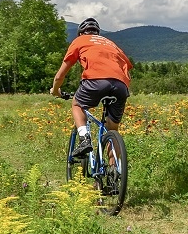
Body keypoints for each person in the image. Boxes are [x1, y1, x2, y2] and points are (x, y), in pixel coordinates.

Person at [50, 17, 133, 157]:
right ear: (97, 33)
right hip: (121, 85)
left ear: (81, 33)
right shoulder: (111, 43)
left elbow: (60, 76)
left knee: (77, 105)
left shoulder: (79, 41)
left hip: (96, 81)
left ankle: (84, 139)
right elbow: (127, 66)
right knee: (112, 131)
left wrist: (56, 90)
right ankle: (114, 173)